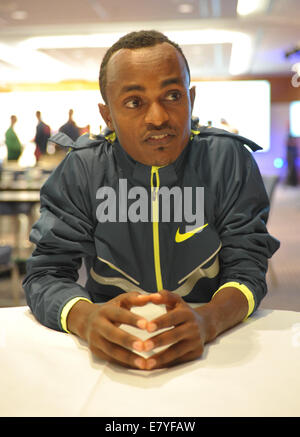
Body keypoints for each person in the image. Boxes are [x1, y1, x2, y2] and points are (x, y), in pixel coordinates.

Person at [23, 30, 279, 371]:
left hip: (216, 350)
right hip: (108, 354)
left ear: (191, 98)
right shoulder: (84, 169)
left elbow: (247, 266)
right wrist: (86, 320)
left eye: (172, 95)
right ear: (107, 115)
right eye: (134, 102)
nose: (158, 117)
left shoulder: (227, 159)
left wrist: (211, 320)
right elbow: (46, 274)